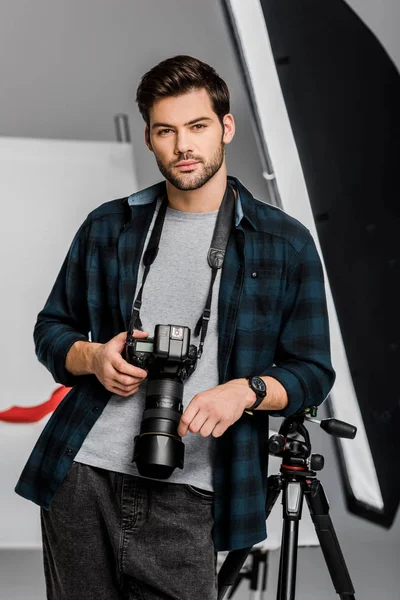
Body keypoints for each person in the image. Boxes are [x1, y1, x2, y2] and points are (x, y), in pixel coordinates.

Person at [15, 55, 335, 600]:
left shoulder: (284, 242)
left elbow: (313, 372)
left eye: (197, 126)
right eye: (166, 130)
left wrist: (246, 391)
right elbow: (52, 330)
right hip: (82, 474)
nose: (183, 145)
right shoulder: (109, 225)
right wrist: (92, 358)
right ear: (149, 138)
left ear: (226, 127)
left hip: (195, 491)